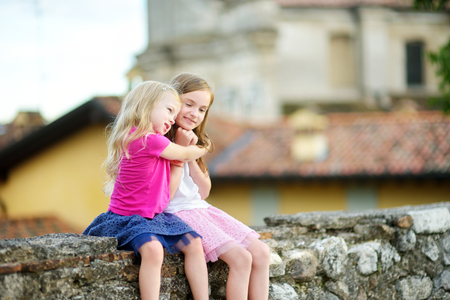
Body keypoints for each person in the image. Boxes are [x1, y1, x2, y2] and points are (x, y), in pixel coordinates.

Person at [83, 81, 209, 300]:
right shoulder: (145, 139)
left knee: (194, 243)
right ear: (146, 106)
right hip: (128, 218)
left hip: (153, 217)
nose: (172, 118)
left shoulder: (154, 142)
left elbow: (167, 193)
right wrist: (203, 147)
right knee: (153, 250)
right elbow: (187, 153)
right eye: (169, 110)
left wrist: (179, 159)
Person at [165, 73, 270, 300]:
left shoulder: (194, 143)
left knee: (261, 252)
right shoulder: (161, 143)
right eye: (189, 104)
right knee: (241, 259)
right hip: (177, 214)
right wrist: (181, 152)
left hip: (202, 209)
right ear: (173, 102)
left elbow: (203, 192)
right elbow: (165, 198)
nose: (195, 113)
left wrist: (190, 154)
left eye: (202, 109)